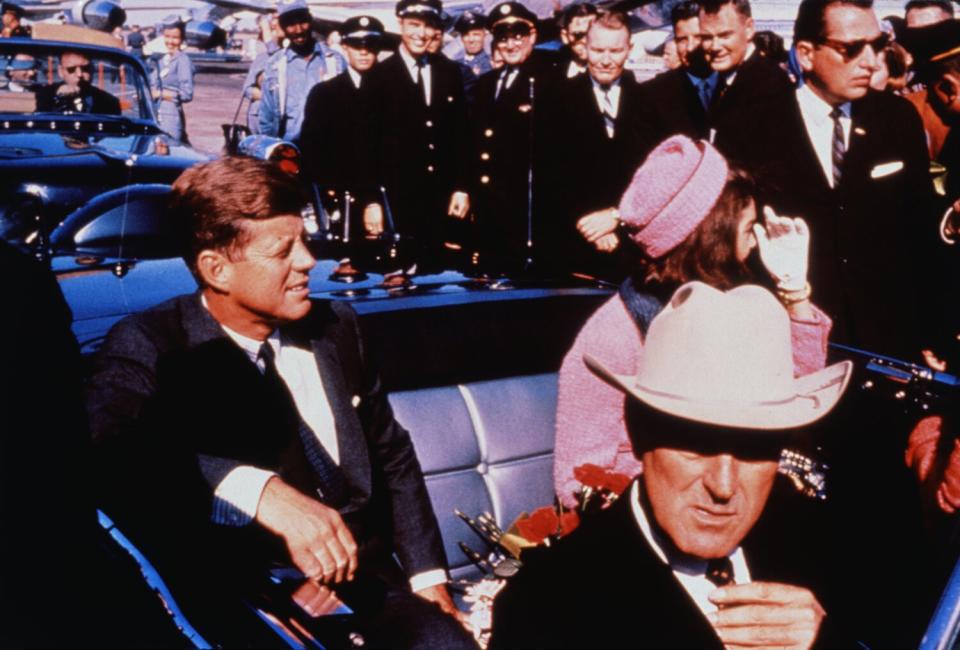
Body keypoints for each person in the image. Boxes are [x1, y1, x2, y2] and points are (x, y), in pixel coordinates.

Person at [87, 157, 476, 649]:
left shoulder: (337, 327)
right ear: (217, 269)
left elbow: (392, 455)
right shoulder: (152, 344)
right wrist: (259, 491)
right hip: (243, 600)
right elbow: (108, 449)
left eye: (305, 241)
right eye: (282, 250)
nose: (309, 261)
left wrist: (427, 580)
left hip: (369, 592)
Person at [493, 279, 855, 648]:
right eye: (696, 445)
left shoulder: (816, 541)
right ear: (638, 433)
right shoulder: (547, 607)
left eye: (752, 449)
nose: (724, 486)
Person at [554, 135, 832, 507]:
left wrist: (794, 289)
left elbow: (796, 394)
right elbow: (578, 483)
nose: (755, 244)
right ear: (710, 235)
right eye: (749, 228)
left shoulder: (731, 303)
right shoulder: (614, 335)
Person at [539, 11, 648, 277]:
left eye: (615, 50)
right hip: (574, 246)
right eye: (598, 50)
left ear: (629, 49)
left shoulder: (648, 100)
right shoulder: (556, 98)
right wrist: (588, 224)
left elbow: (651, 174)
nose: (606, 60)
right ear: (585, 48)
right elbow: (549, 172)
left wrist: (617, 219)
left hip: (634, 243)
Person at [365, 0, 471, 269]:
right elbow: (363, 146)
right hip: (396, 204)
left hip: (442, 202)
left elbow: (461, 135)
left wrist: (461, 187)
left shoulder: (449, 72)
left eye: (428, 26)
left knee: (441, 281)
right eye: (413, 25)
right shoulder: (378, 77)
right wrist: (371, 201)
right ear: (399, 24)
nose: (420, 34)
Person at [469, 1, 559, 273]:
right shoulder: (487, 84)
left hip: (528, 214)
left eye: (518, 37)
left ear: (532, 35)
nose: (510, 45)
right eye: (503, 38)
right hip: (489, 211)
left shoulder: (548, 81)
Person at [300, 15, 384, 239]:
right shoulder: (324, 94)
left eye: (370, 46)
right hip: (340, 200)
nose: (364, 52)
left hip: (386, 200)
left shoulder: (395, 92)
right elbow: (312, 150)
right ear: (345, 47)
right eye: (357, 46)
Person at [634, 1, 716, 157]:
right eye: (682, 40)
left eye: (698, 37)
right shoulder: (652, 96)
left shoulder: (739, 86)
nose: (690, 47)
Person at [259, 0, 346, 141]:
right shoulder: (275, 65)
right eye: (291, 24)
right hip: (290, 151)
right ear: (283, 27)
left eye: (303, 22)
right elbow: (266, 116)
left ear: (311, 21)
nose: (298, 30)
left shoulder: (335, 61)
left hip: (328, 147)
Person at [149, 19, 195, 143]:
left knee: (170, 150)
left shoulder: (183, 60)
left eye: (175, 38)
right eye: (167, 36)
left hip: (171, 116)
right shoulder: (162, 59)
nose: (170, 41)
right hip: (155, 114)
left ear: (182, 39)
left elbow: (187, 94)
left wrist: (159, 94)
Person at [35, 51, 121, 115]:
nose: (79, 74)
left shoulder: (110, 102)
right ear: (61, 72)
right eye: (71, 69)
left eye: (85, 68)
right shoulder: (43, 95)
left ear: (92, 69)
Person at [242, 13, 282, 134]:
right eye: (271, 29)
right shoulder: (262, 58)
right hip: (259, 117)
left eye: (274, 29)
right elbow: (247, 89)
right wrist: (267, 97)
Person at [557, 2, 598, 79]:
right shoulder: (551, 72)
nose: (586, 41)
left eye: (593, 34)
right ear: (565, 37)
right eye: (578, 35)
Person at [454, 11, 491, 77]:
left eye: (476, 35)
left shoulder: (490, 64)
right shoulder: (455, 64)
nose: (471, 40)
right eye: (466, 35)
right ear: (461, 38)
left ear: (485, 34)